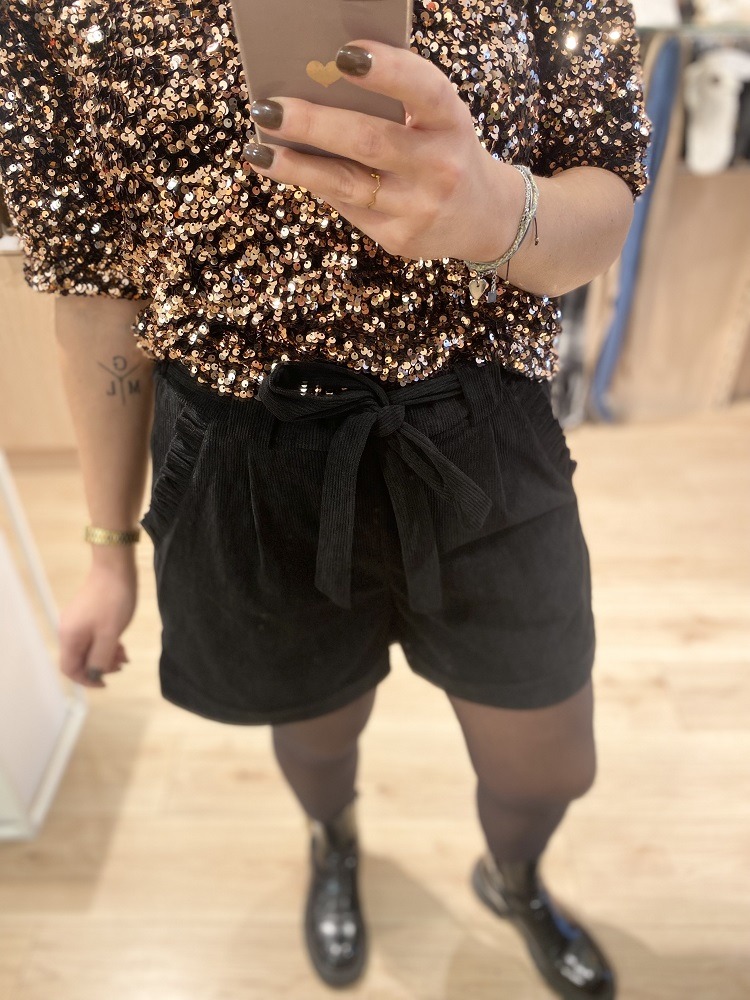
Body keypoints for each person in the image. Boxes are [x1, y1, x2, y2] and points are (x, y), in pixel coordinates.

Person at [0, 2, 652, 996]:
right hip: (245, 457)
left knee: (550, 765)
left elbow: (602, 193)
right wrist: (106, 547)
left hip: (480, 429)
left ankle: (515, 878)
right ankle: (334, 843)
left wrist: (491, 209)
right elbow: (95, 296)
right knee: (316, 729)